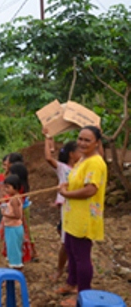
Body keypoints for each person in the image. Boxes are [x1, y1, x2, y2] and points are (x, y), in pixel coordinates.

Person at [56, 126, 107, 307]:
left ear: (96, 143)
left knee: (81, 256)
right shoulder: (83, 160)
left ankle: (83, 296)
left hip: (84, 217)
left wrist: (67, 194)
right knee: (70, 249)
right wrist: (65, 186)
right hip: (73, 216)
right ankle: (71, 283)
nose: (82, 143)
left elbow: (90, 189)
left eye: (87, 140)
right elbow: (75, 181)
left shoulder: (95, 162)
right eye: (80, 139)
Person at [44, 127, 80, 283]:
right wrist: (47, 137)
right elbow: (48, 158)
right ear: (72, 154)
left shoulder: (83, 168)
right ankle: (60, 270)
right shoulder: (64, 169)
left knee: (72, 242)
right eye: (79, 150)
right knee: (66, 242)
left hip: (79, 208)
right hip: (67, 208)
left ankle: (72, 268)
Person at [0, 174, 24, 269]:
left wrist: (5, 214)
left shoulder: (14, 199)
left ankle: (16, 269)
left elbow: (18, 215)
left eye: (8, 187)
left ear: (15, 187)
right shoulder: (14, 197)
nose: (6, 189)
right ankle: (15, 268)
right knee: (12, 248)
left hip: (13, 228)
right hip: (11, 227)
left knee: (14, 249)